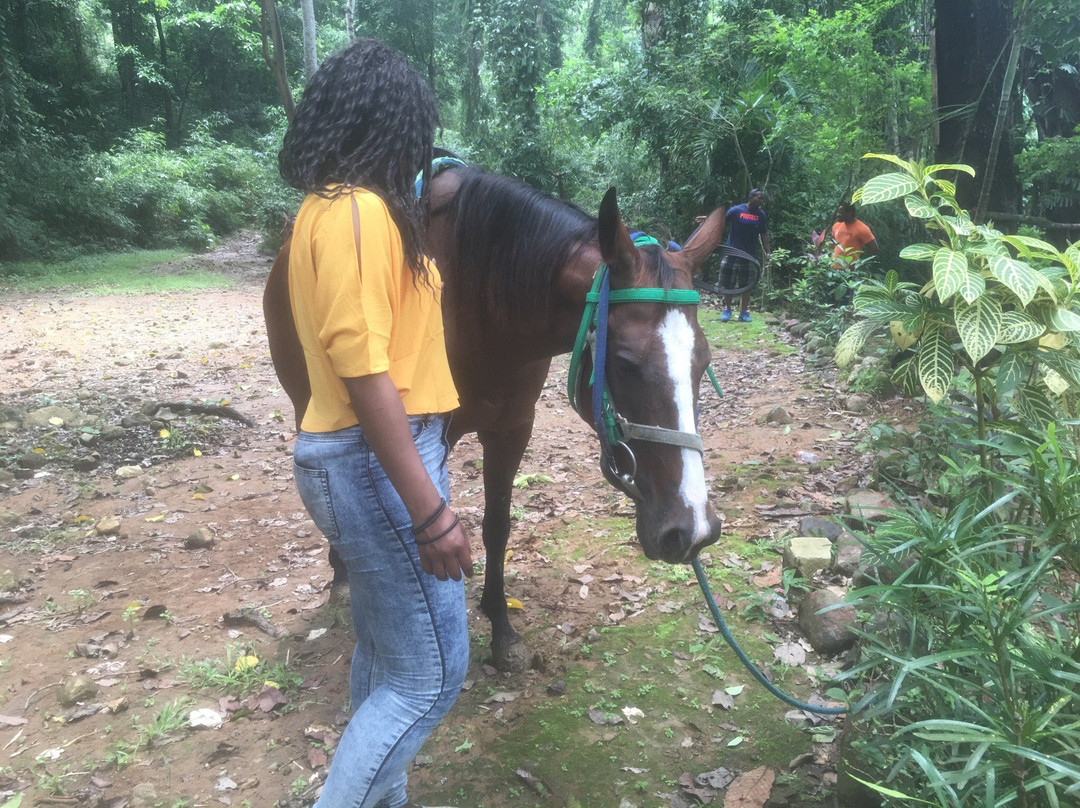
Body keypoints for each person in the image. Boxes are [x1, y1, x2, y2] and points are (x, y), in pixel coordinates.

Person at [277, 39, 471, 808]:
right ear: (393, 125)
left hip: (361, 461)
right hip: (373, 462)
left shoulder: (328, 209)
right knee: (431, 676)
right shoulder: (356, 212)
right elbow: (364, 373)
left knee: (390, 659)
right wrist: (431, 513)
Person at [718, 188, 771, 323]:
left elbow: (764, 234)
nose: (761, 201)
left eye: (762, 198)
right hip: (731, 252)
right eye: (759, 198)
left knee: (747, 285)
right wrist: (707, 221)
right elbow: (720, 221)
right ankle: (727, 310)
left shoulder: (761, 215)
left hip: (748, 255)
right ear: (751, 197)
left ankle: (743, 312)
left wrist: (767, 252)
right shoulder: (736, 210)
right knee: (728, 283)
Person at [830, 202, 878, 267]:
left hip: (848, 270)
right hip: (832, 268)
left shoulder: (862, 228)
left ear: (849, 213)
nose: (837, 215)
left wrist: (860, 263)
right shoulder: (836, 226)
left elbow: (874, 248)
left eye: (840, 213)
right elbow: (832, 243)